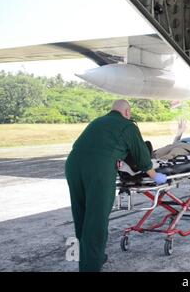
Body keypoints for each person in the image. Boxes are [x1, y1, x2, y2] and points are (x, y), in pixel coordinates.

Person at [65, 100, 167, 272]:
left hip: (73, 165)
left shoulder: (97, 121)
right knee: (96, 218)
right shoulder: (127, 126)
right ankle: (91, 266)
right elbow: (143, 159)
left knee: (81, 213)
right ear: (127, 112)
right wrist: (155, 176)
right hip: (98, 169)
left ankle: (90, 257)